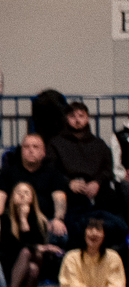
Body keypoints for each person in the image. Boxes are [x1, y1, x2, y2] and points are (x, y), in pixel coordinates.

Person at [49, 101, 121, 237]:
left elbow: (108, 169)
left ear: (87, 118)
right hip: (69, 190)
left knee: (114, 202)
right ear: (66, 119)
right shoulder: (56, 143)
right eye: (72, 116)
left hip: (97, 190)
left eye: (81, 116)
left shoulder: (99, 144)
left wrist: (97, 182)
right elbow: (51, 170)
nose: (77, 120)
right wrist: (68, 182)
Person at [0, 133, 69, 239]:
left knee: (61, 235)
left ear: (43, 152)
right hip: (13, 221)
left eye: (35, 147)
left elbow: (59, 199)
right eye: (26, 147)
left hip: (44, 222)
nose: (31, 150)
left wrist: (58, 219)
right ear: (21, 151)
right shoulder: (7, 173)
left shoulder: (54, 174)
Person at [0, 181, 59, 287]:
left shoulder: (40, 220)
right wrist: (22, 219)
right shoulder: (4, 218)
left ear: (31, 198)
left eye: (26, 193)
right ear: (12, 197)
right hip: (11, 260)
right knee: (27, 257)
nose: (22, 195)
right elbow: (11, 246)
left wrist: (24, 220)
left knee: (32, 266)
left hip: (36, 260)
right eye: (18, 192)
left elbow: (37, 245)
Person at [59, 219, 126, 287]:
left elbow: (117, 285)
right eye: (90, 229)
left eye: (98, 229)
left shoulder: (113, 257)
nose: (94, 233)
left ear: (104, 235)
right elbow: (71, 286)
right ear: (83, 233)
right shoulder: (71, 257)